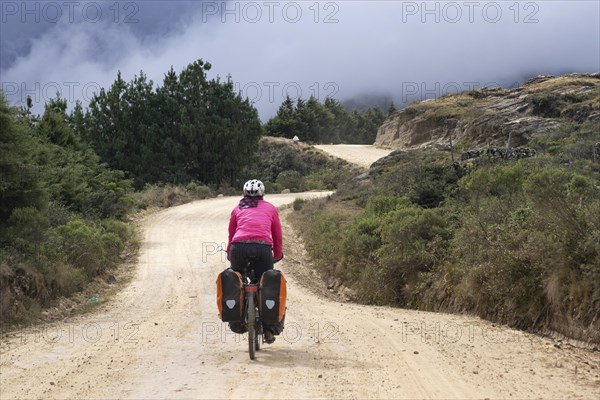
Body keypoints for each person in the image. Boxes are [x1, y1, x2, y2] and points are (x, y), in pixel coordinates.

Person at [226, 179, 283, 343]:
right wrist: (277, 254)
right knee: (267, 284)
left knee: (237, 281)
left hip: (239, 248)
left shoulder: (237, 209)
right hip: (263, 249)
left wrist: (230, 253)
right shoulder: (271, 208)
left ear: (244, 194)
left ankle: (237, 320)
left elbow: (231, 234)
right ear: (262, 194)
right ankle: (269, 329)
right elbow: (277, 234)